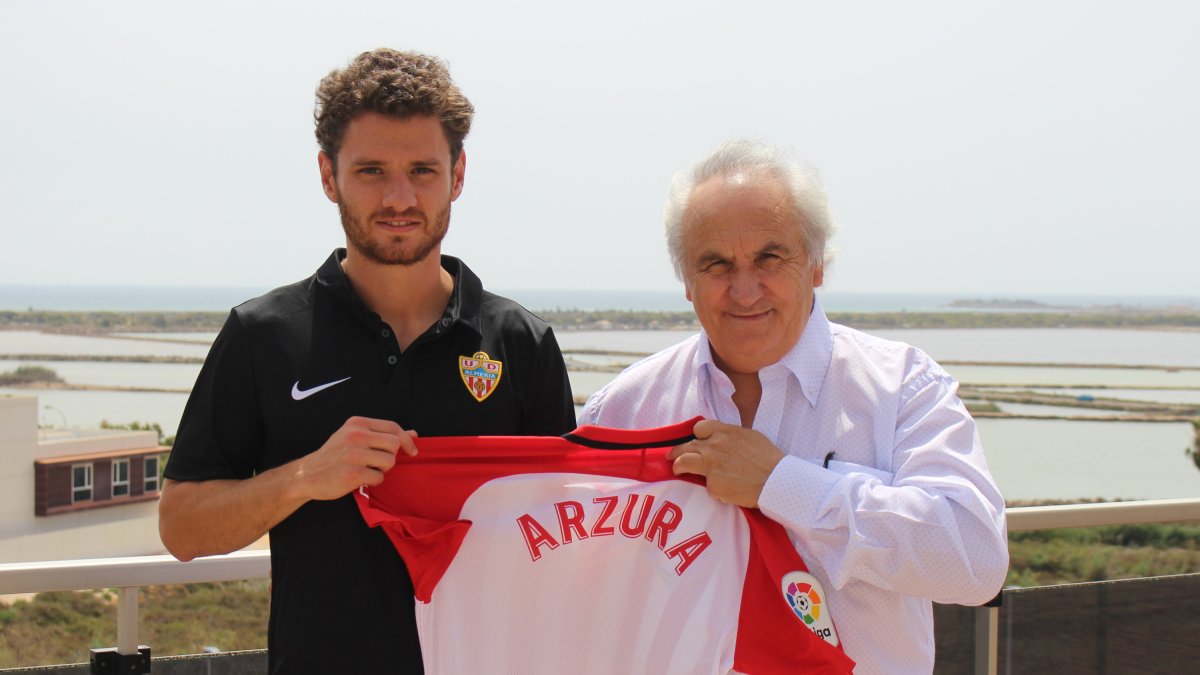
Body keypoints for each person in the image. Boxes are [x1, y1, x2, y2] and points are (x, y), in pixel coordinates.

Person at [158, 48, 576, 674]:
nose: (399, 197)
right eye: (372, 170)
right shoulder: (263, 334)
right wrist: (306, 477)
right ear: (329, 176)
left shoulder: (520, 342)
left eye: (423, 171)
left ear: (458, 175)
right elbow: (182, 528)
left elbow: (569, 534)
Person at [580, 139, 1008, 674]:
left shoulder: (903, 387)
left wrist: (784, 484)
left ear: (816, 263)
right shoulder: (623, 409)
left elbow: (974, 560)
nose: (744, 289)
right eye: (715, 264)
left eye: (769, 257)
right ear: (686, 282)